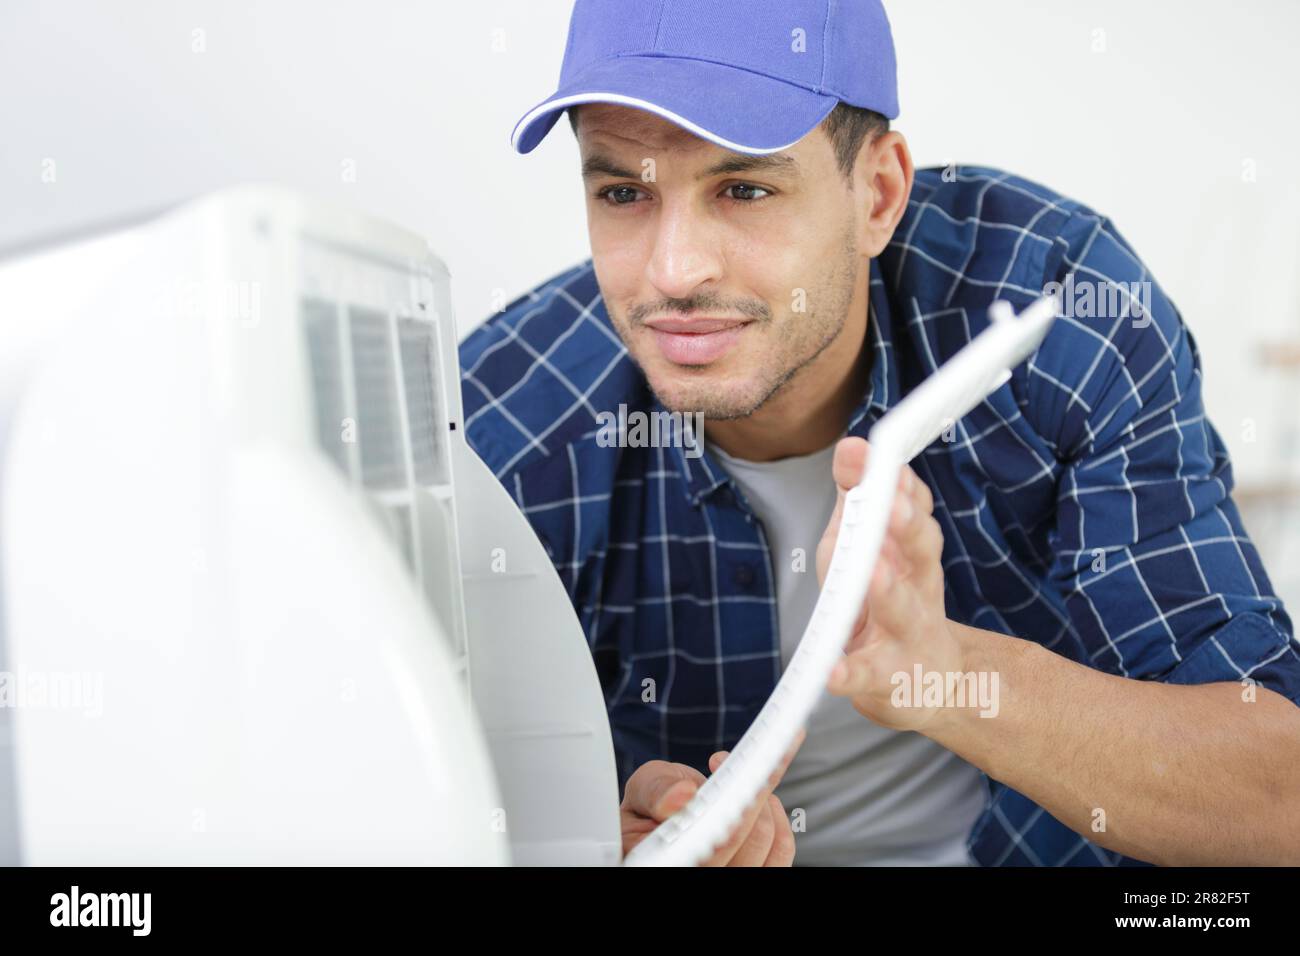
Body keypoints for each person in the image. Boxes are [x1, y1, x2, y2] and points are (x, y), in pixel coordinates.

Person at [460, 0, 1300, 866]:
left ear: (879, 194)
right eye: (624, 193)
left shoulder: (1063, 316)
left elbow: (1277, 796)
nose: (674, 271)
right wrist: (592, 845)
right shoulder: (496, 434)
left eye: (744, 188)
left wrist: (947, 674)